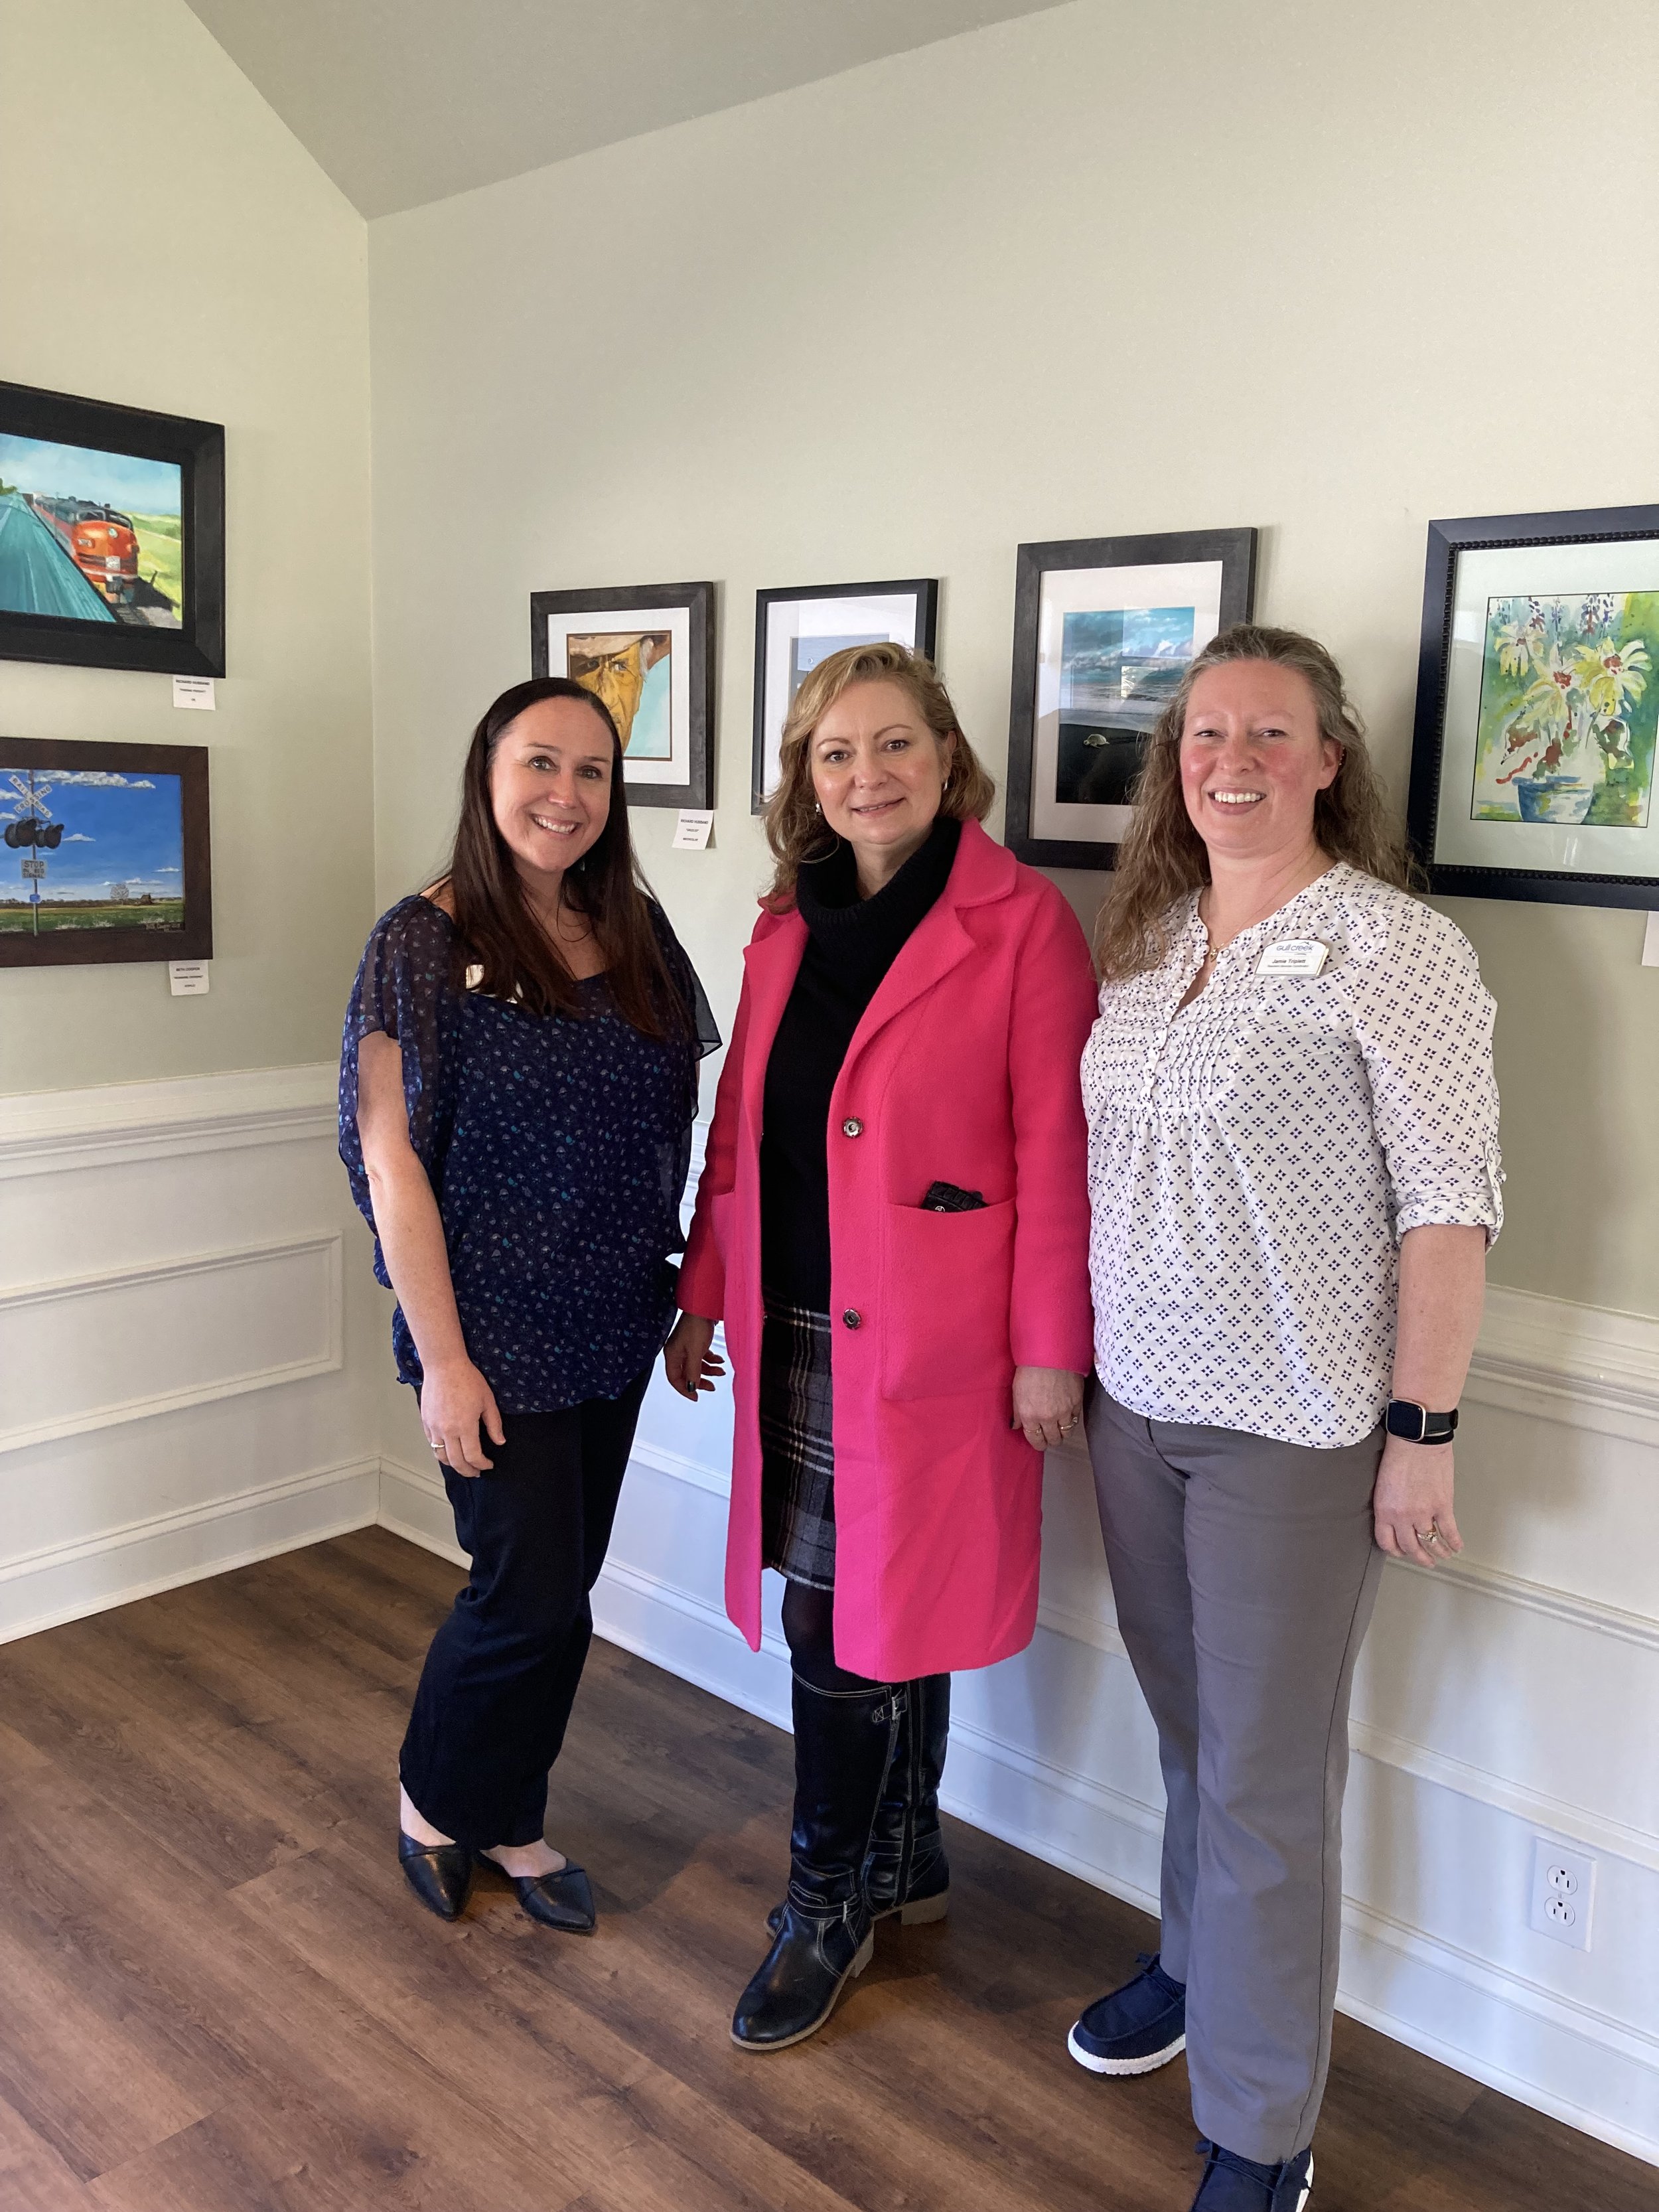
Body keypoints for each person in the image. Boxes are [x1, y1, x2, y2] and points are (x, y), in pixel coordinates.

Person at [1073, 625, 1502, 2212]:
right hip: (1135, 1414)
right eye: (1201, 736)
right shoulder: (1152, 936)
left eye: (1267, 734)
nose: (1228, 761)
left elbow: (1448, 1209)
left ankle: (1259, 2130)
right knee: (1193, 1736)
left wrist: (1421, 1428)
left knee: (1263, 1777)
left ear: (1327, 757)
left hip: (1296, 1431)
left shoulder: (1395, 950)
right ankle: (1194, 1968)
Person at [665, 641, 1098, 2051]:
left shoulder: (1020, 920)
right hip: (798, 1311)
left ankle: (822, 1901)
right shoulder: (784, 920)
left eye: (892, 744)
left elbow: (1056, 1149)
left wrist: (1049, 1348)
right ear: (806, 776)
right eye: (834, 752)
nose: (865, 775)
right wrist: (700, 1290)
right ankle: (901, 1853)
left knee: (847, 1614)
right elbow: (741, 1135)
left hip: (938, 1334)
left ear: (945, 754)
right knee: (853, 1599)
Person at [340, 676, 715, 1933]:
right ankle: (434, 1799)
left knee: (567, 1586)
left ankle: (510, 1812)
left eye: (593, 772)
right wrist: (443, 1360)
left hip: (611, 1319)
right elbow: (390, 1162)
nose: (566, 794)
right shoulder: (422, 939)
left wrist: (686, 1300)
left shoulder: (636, 931)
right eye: (540, 764)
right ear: (487, 774)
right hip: (489, 1333)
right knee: (522, 1589)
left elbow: (676, 1125)